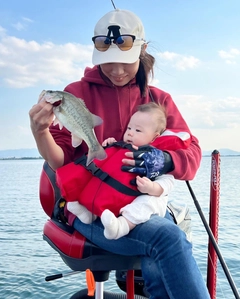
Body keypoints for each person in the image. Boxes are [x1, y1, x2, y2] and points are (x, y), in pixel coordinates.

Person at [29, 8, 210, 299]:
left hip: (136, 205)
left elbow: (191, 153)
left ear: (143, 50)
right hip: (90, 209)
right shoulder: (75, 93)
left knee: (160, 244)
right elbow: (59, 158)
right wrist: (40, 132)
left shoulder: (158, 101)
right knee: (168, 237)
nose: (116, 71)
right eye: (107, 63)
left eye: (125, 62)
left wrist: (165, 160)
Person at [63, 102, 189, 240]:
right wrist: (109, 146)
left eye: (138, 130)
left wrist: (152, 187)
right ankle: (88, 213)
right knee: (98, 181)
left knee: (146, 202)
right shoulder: (123, 147)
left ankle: (121, 226)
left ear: (154, 137)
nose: (130, 132)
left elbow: (168, 182)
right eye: (129, 127)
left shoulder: (155, 157)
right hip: (120, 195)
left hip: (144, 199)